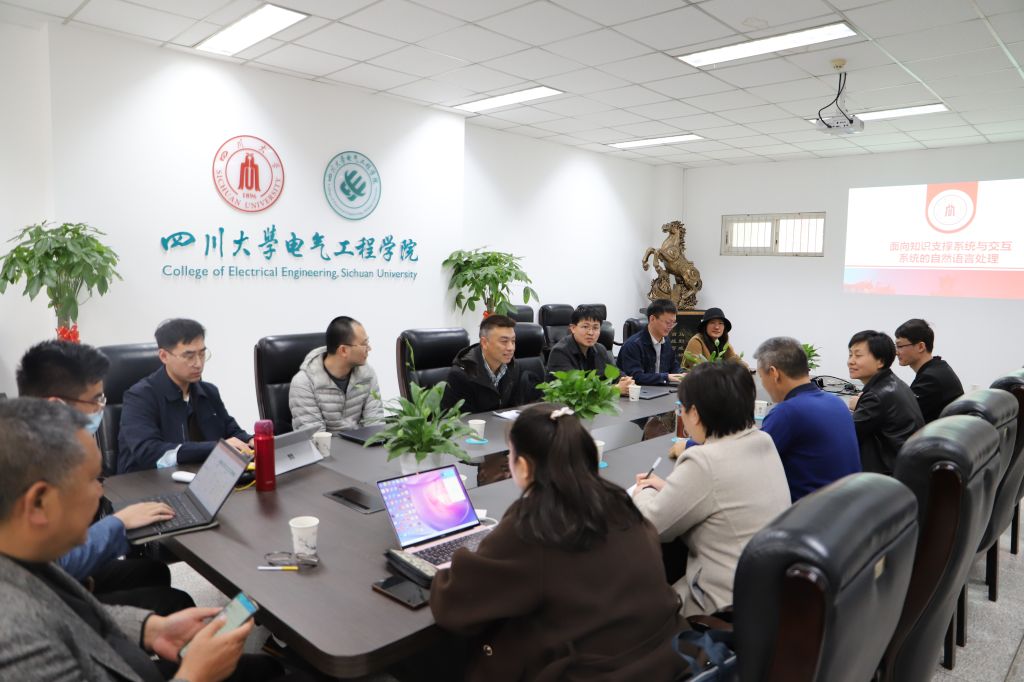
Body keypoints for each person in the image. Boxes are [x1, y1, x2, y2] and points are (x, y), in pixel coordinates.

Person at [0, 398, 253, 682]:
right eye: (92, 480)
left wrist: (151, 629)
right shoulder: (17, 638)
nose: (100, 492)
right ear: (38, 503)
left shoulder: (25, 557)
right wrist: (195, 675)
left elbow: (72, 615)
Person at [430, 403, 686, 680]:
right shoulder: (617, 501)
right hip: (666, 662)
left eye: (510, 455)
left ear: (523, 467)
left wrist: (451, 562)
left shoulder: (534, 524)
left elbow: (454, 604)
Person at [16, 340, 193, 615]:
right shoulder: (25, 468)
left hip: (55, 579)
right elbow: (57, 565)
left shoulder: (42, 441)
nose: (101, 408)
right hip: (44, 600)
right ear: (57, 406)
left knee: (153, 572)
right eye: (96, 400)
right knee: (176, 603)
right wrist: (118, 524)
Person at [632, 362, 790, 616]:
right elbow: (719, 494)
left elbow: (652, 526)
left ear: (694, 413)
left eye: (682, 408)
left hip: (723, 602)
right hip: (769, 590)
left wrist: (643, 492)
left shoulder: (705, 460)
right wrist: (669, 488)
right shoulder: (762, 440)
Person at [119, 319, 252, 473]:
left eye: (202, 354)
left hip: (199, 477)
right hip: (144, 481)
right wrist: (216, 448)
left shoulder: (208, 392)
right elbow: (148, 451)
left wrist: (252, 440)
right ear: (164, 356)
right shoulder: (139, 397)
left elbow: (232, 432)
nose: (198, 363)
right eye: (189, 356)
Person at [753, 337, 861, 502]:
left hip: (809, 512)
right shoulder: (836, 402)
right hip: (848, 507)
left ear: (774, 373)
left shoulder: (788, 412)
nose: (763, 384)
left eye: (761, 376)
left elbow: (752, 462)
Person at [847, 330, 925, 474]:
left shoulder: (876, 396)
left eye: (858, 355)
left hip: (889, 474)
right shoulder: (895, 383)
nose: (851, 361)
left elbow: (846, 436)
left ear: (880, 361)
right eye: (850, 354)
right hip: (907, 466)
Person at [289, 316, 384, 432]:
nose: (369, 348)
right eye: (364, 344)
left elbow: (375, 425)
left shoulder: (367, 374)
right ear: (343, 350)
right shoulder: (304, 384)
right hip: (327, 444)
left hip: (360, 443)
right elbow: (316, 437)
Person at [441, 315, 541, 414]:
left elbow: (513, 408)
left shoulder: (513, 367)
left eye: (513, 341)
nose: (511, 348)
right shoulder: (461, 375)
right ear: (484, 343)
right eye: (504, 341)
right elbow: (455, 420)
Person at [546, 304, 635, 395]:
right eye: (585, 327)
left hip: (596, 402)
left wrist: (626, 380)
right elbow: (575, 389)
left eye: (595, 328)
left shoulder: (600, 349)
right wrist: (614, 389)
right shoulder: (559, 352)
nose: (591, 333)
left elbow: (616, 374)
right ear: (573, 328)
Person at [895, 318, 964, 422]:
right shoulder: (939, 367)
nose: (896, 352)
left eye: (900, 346)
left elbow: (903, 417)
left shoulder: (930, 379)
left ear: (920, 347)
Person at [617, 299, 685, 385]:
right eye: (668, 323)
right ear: (652, 319)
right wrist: (666, 377)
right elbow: (635, 377)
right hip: (640, 391)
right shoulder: (633, 345)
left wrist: (681, 375)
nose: (670, 327)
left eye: (673, 323)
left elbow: (673, 365)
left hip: (662, 389)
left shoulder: (666, 341)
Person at [682, 307, 747, 369]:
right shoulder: (696, 341)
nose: (717, 327)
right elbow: (698, 368)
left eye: (720, 323)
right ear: (705, 326)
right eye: (712, 323)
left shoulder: (724, 343)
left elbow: (737, 362)